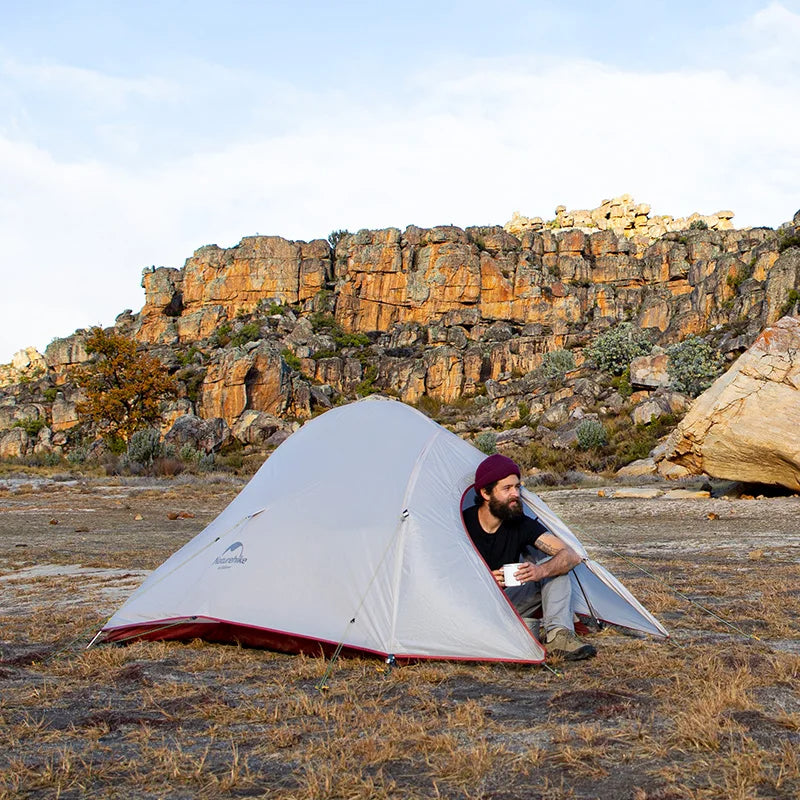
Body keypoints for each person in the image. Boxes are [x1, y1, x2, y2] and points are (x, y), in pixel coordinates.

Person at [463, 453, 597, 661]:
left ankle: (558, 636)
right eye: (507, 488)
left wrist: (539, 571)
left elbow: (572, 555)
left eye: (517, 487)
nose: (515, 494)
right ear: (486, 493)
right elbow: (441, 573)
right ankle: (514, 631)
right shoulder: (463, 523)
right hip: (467, 608)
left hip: (508, 601)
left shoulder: (519, 523)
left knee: (556, 568)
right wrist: (484, 579)